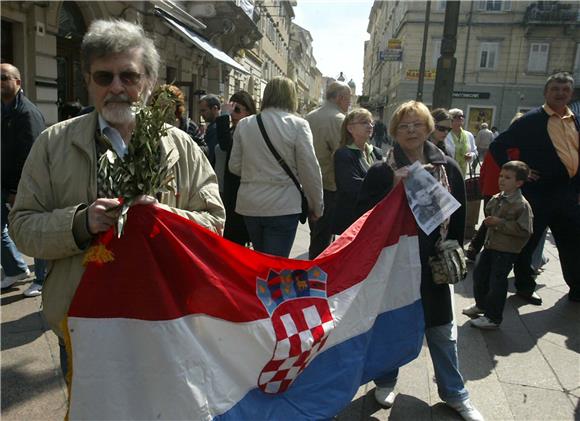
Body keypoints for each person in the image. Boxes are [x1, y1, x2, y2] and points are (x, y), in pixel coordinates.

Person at [8, 19, 225, 375]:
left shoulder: (182, 147)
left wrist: (165, 219)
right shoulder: (53, 144)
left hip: (165, 319)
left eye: (129, 76)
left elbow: (215, 223)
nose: (117, 87)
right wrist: (80, 222)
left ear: (149, 82)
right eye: (104, 77)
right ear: (88, 82)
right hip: (83, 323)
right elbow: (22, 227)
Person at [357, 101, 483, 421]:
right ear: (394, 132)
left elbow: (457, 217)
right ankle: (385, 381)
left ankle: (455, 393)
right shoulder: (380, 171)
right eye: (403, 125)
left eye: (417, 124)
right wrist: (395, 188)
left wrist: (452, 248)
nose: (411, 130)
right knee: (393, 324)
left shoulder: (448, 167)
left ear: (429, 128)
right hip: (394, 263)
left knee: (441, 329)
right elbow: (363, 220)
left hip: (432, 264)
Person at [490, 71, 580, 304]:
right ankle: (525, 286)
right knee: (527, 244)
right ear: (546, 93)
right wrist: (523, 172)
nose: (560, 94)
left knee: (572, 243)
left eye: (565, 90)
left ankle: (577, 288)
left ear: (570, 93)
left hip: (568, 194)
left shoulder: (575, 120)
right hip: (539, 194)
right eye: (555, 89)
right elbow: (498, 146)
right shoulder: (530, 120)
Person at [229, 76, 323, 257]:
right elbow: (309, 169)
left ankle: (256, 286)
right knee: (276, 268)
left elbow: (234, 166)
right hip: (283, 205)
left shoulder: (245, 124)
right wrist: (316, 206)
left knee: (259, 260)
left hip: (251, 204)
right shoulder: (298, 125)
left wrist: (255, 173)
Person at [463, 161, 533, 329]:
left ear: (519, 183)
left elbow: (525, 230)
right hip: (491, 246)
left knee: (497, 283)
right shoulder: (499, 197)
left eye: (507, 177)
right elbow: (489, 210)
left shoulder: (521, 204)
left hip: (506, 251)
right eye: (501, 176)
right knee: (480, 275)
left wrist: (500, 222)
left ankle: (493, 317)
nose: (502, 180)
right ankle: (481, 305)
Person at [1, 63, 46, 297]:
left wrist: (18, 189)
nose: (0, 83)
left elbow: (33, 156)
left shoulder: (27, 113)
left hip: (24, 186)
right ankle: (16, 268)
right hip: (4, 182)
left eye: (3, 78)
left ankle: (42, 278)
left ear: (17, 82)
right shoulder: (3, 109)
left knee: (34, 228)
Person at [305, 81, 351, 259]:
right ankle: (316, 277)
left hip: (310, 183)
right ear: (340, 98)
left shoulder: (309, 116)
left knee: (315, 233)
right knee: (323, 239)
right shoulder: (339, 119)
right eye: (348, 99)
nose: (349, 103)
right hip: (330, 186)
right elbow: (341, 155)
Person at [332, 109, 383, 235]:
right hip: (353, 221)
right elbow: (352, 187)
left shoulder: (377, 152)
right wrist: (384, 184)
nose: (370, 126)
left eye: (371, 123)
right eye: (364, 122)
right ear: (350, 128)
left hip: (374, 218)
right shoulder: (343, 154)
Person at [216, 90, 256, 245]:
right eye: (231, 110)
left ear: (248, 112)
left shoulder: (248, 132)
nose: (233, 114)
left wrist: (223, 117)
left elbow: (227, 145)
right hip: (226, 188)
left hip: (238, 190)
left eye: (237, 110)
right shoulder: (232, 129)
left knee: (235, 238)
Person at [150, 84, 209, 157]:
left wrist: (187, 149)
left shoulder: (189, 126)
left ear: (176, 106)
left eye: (169, 106)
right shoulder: (150, 127)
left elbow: (205, 150)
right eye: (161, 106)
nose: (165, 110)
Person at [445, 108, 477, 177]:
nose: (460, 118)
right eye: (457, 117)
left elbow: (475, 152)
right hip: (449, 171)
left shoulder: (469, 135)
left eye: (462, 116)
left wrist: (471, 155)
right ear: (450, 120)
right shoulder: (445, 135)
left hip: (463, 172)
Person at [199, 94, 221, 166]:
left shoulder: (216, 128)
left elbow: (209, 153)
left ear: (215, 109)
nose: (201, 114)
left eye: (204, 110)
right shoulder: (213, 126)